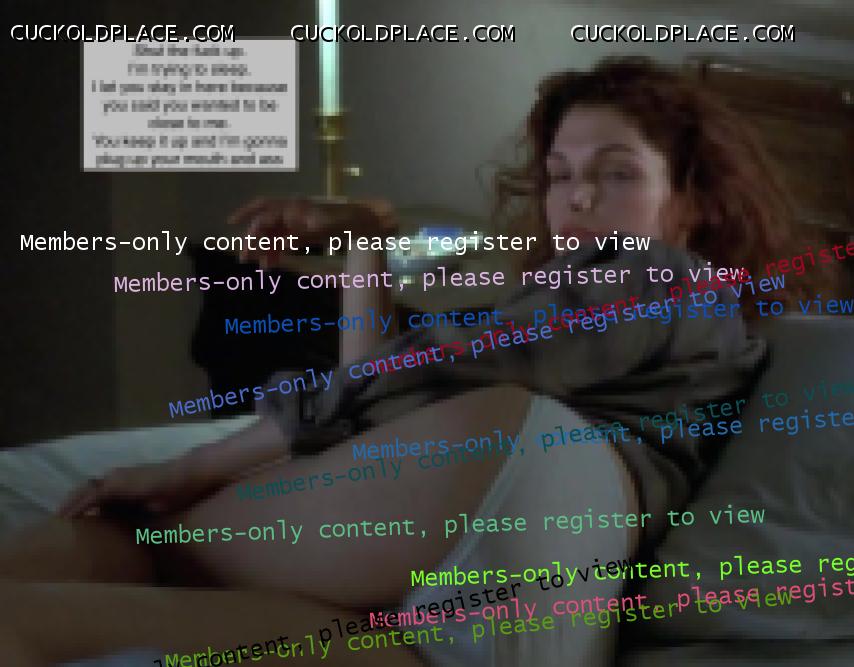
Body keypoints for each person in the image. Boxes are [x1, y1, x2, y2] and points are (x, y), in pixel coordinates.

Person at [0, 57, 826, 666]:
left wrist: (192, 466)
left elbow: (426, 371)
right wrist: (365, 245)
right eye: (558, 175)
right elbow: (370, 401)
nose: (576, 198)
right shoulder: (657, 316)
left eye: (617, 174)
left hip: (522, 491)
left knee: (128, 536)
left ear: (694, 199)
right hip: (520, 595)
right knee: (49, 622)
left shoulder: (664, 278)